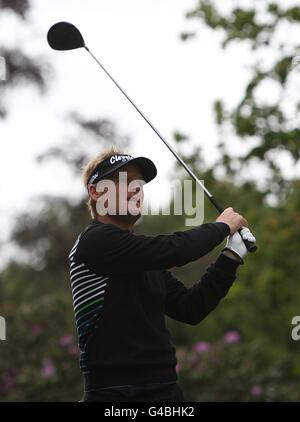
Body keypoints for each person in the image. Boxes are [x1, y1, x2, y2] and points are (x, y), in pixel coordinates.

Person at [68, 148, 256, 402]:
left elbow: (191, 308)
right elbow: (176, 249)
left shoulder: (141, 258)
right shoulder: (94, 242)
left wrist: (231, 256)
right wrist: (222, 226)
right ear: (95, 192)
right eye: (122, 181)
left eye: (138, 183)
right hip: (113, 395)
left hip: (165, 392)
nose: (134, 189)